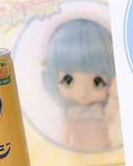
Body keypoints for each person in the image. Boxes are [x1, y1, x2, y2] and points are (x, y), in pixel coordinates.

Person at [42, 17, 120, 152]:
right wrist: (63, 150)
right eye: (68, 80)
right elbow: (64, 136)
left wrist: (114, 94)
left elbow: (110, 117)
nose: (83, 92)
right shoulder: (69, 113)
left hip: (104, 151)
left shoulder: (99, 110)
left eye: (98, 81)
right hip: (77, 153)